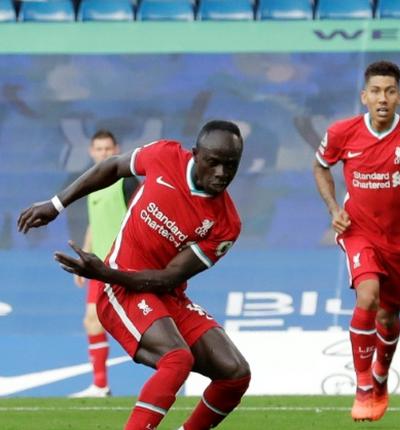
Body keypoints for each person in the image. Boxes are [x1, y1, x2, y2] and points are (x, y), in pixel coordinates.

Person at [18, 120, 250, 430]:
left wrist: (105, 273)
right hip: (120, 289)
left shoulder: (226, 225)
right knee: (177, 359)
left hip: (159, 290)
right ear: (195, 154)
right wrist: (57, 203)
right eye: (213, 162)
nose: (221, 172)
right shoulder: (165, 156)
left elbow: (168, 278)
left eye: (230, 165)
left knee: (235, 373)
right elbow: (113, 167)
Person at [313, 60, 400, 422]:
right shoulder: (343, 133)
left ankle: (380, 378)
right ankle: (361, 387)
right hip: (358, 230)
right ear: (364, 97)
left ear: (399, 97)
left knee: (389, 316)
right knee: (367, 295)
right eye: (375, 91)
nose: (382, 98)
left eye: (389, 91)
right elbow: (320, 166)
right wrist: (332, 208)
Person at [71, 130, 139, 398]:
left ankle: (178, 366)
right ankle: (100, 385)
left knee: (145, 327)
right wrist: (83, 259)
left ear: (117, 149)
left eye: (108, 149)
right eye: (98, 149)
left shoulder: (126, 182)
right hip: (99, 266)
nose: (103, 153)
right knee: (92, 321)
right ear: (91, 152)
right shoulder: (93, 184)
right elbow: (94, 223)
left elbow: (140, 217)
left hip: (121, 265)